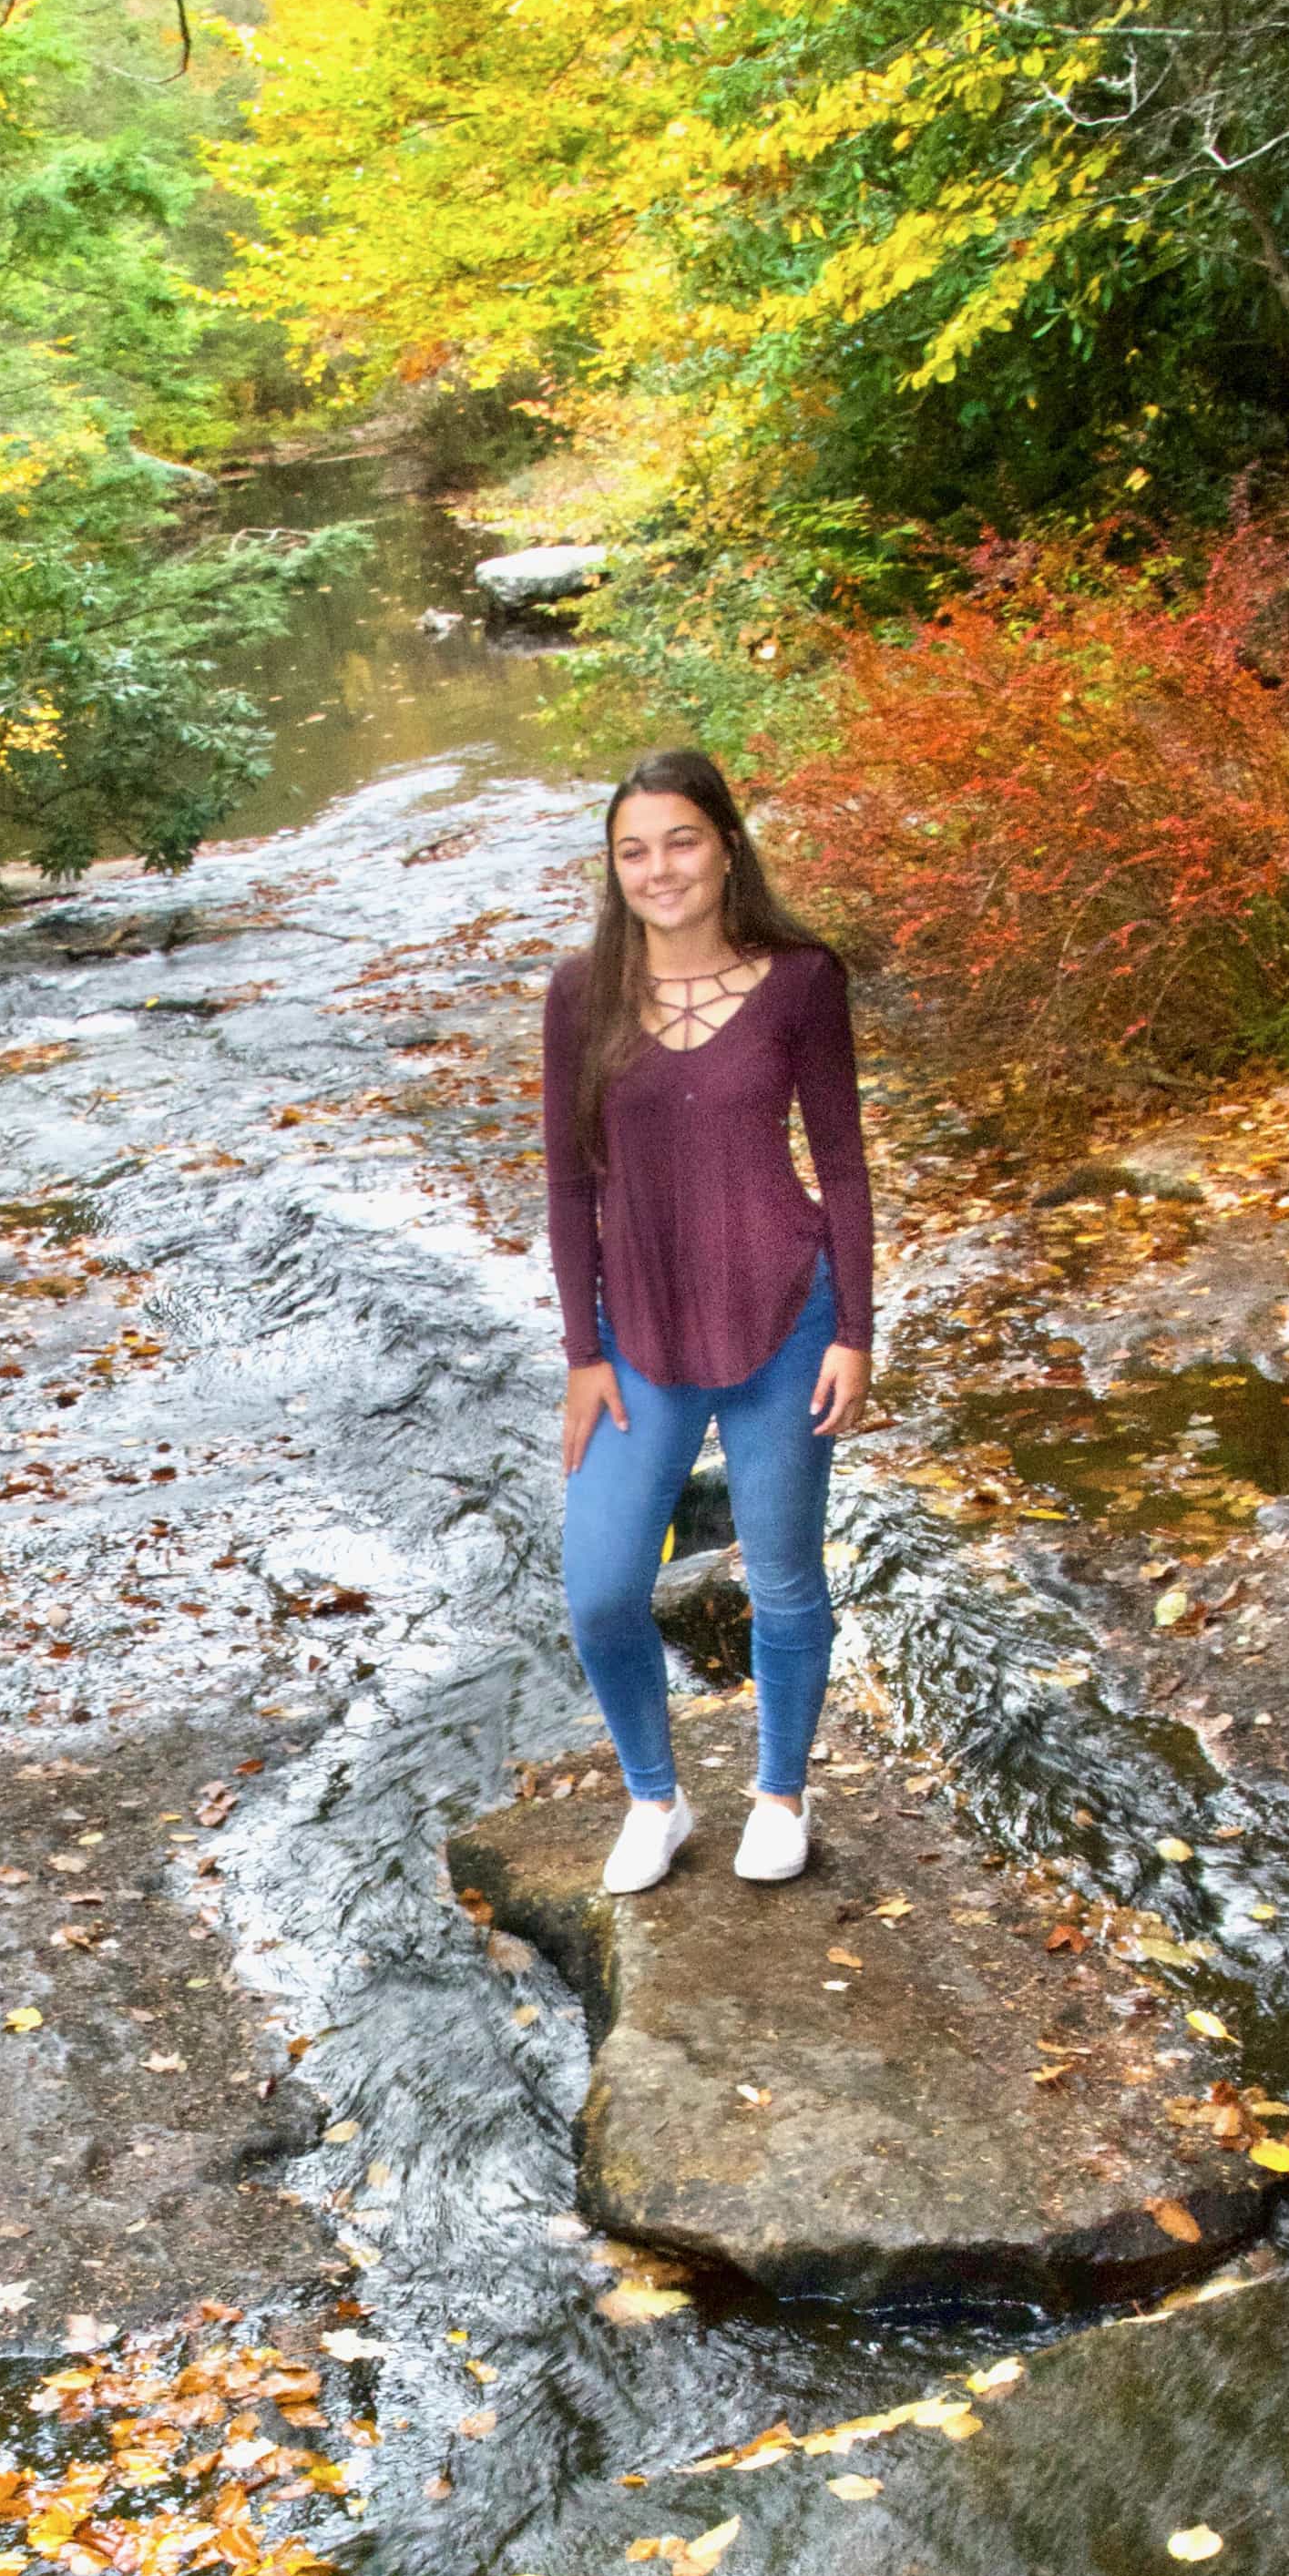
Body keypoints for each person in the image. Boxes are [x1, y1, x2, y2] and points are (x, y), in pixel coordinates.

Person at [545, 746, 875, 1895]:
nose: (659, 867)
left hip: (790, 1319)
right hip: (640, 1338)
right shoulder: (580, 993)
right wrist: (584, 1353)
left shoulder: (799, 979)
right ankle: (657, 1798)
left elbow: (841, 1161)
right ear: (613, 868)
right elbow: (568, 1183)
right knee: (598, 1590)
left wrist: (856, 1333)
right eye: (633, 850)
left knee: (784, 1579)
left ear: (726, 844)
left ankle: (780, 1792)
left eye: (680, 839)